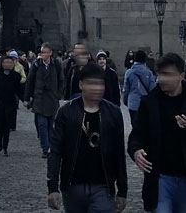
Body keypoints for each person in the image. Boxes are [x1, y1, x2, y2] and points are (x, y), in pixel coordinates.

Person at [128, 52, 186, 213]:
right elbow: (137, 135)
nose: (161, 79)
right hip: (160, 177)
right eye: (160, 74)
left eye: (167, 75)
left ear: (181, 76)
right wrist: (136, 151)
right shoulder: (149, 102)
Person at [47, 63, 128, 213]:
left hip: (103, 186)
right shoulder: (66, 112)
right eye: (91, 83)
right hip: (73, 186)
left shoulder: (113, 113)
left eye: (100, 84)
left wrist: (122, 190)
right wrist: (53, 186)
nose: (96, 88)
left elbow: (119, 153)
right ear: (81, 84)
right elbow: (56, 151)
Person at [25, 42, 65, 158]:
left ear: (50, 53)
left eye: (45, 53)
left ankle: (52, 147)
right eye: (42, 52)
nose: (43, 55)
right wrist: (27, 98)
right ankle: (45, 148)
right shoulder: (36, 65)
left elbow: (62, 80)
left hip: (52, 99)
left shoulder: (56, 64)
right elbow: (30, 81)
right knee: (42, 125)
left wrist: (58, 94)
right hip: (40, 99)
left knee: (51, 125)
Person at [0, 55, 25, 156]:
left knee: (7, 127)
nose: (7, 64)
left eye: (10, 63)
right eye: (6, 62)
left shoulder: (16, 76)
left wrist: (25, 100)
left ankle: (5, 147)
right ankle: (0, 141)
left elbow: (19, 90)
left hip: (10, 104)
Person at [122, 50, 156, 132]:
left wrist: (126, 101)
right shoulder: (149, 73)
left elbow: (126, 90)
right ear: (145, 60)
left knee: (135, 126)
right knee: (146, 125)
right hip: (146, 103)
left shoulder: (129, 72)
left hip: (133, 103)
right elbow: (152, 90)